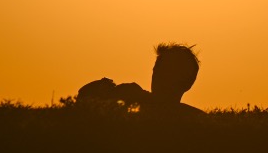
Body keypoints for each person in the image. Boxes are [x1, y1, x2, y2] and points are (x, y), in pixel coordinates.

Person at [76, 43, 204, 115]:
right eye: (158, 69)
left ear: (188, 83)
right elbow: (84, 102)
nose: (159, 75)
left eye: (168, 71)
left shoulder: (194, 118)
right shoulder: (198, 118)